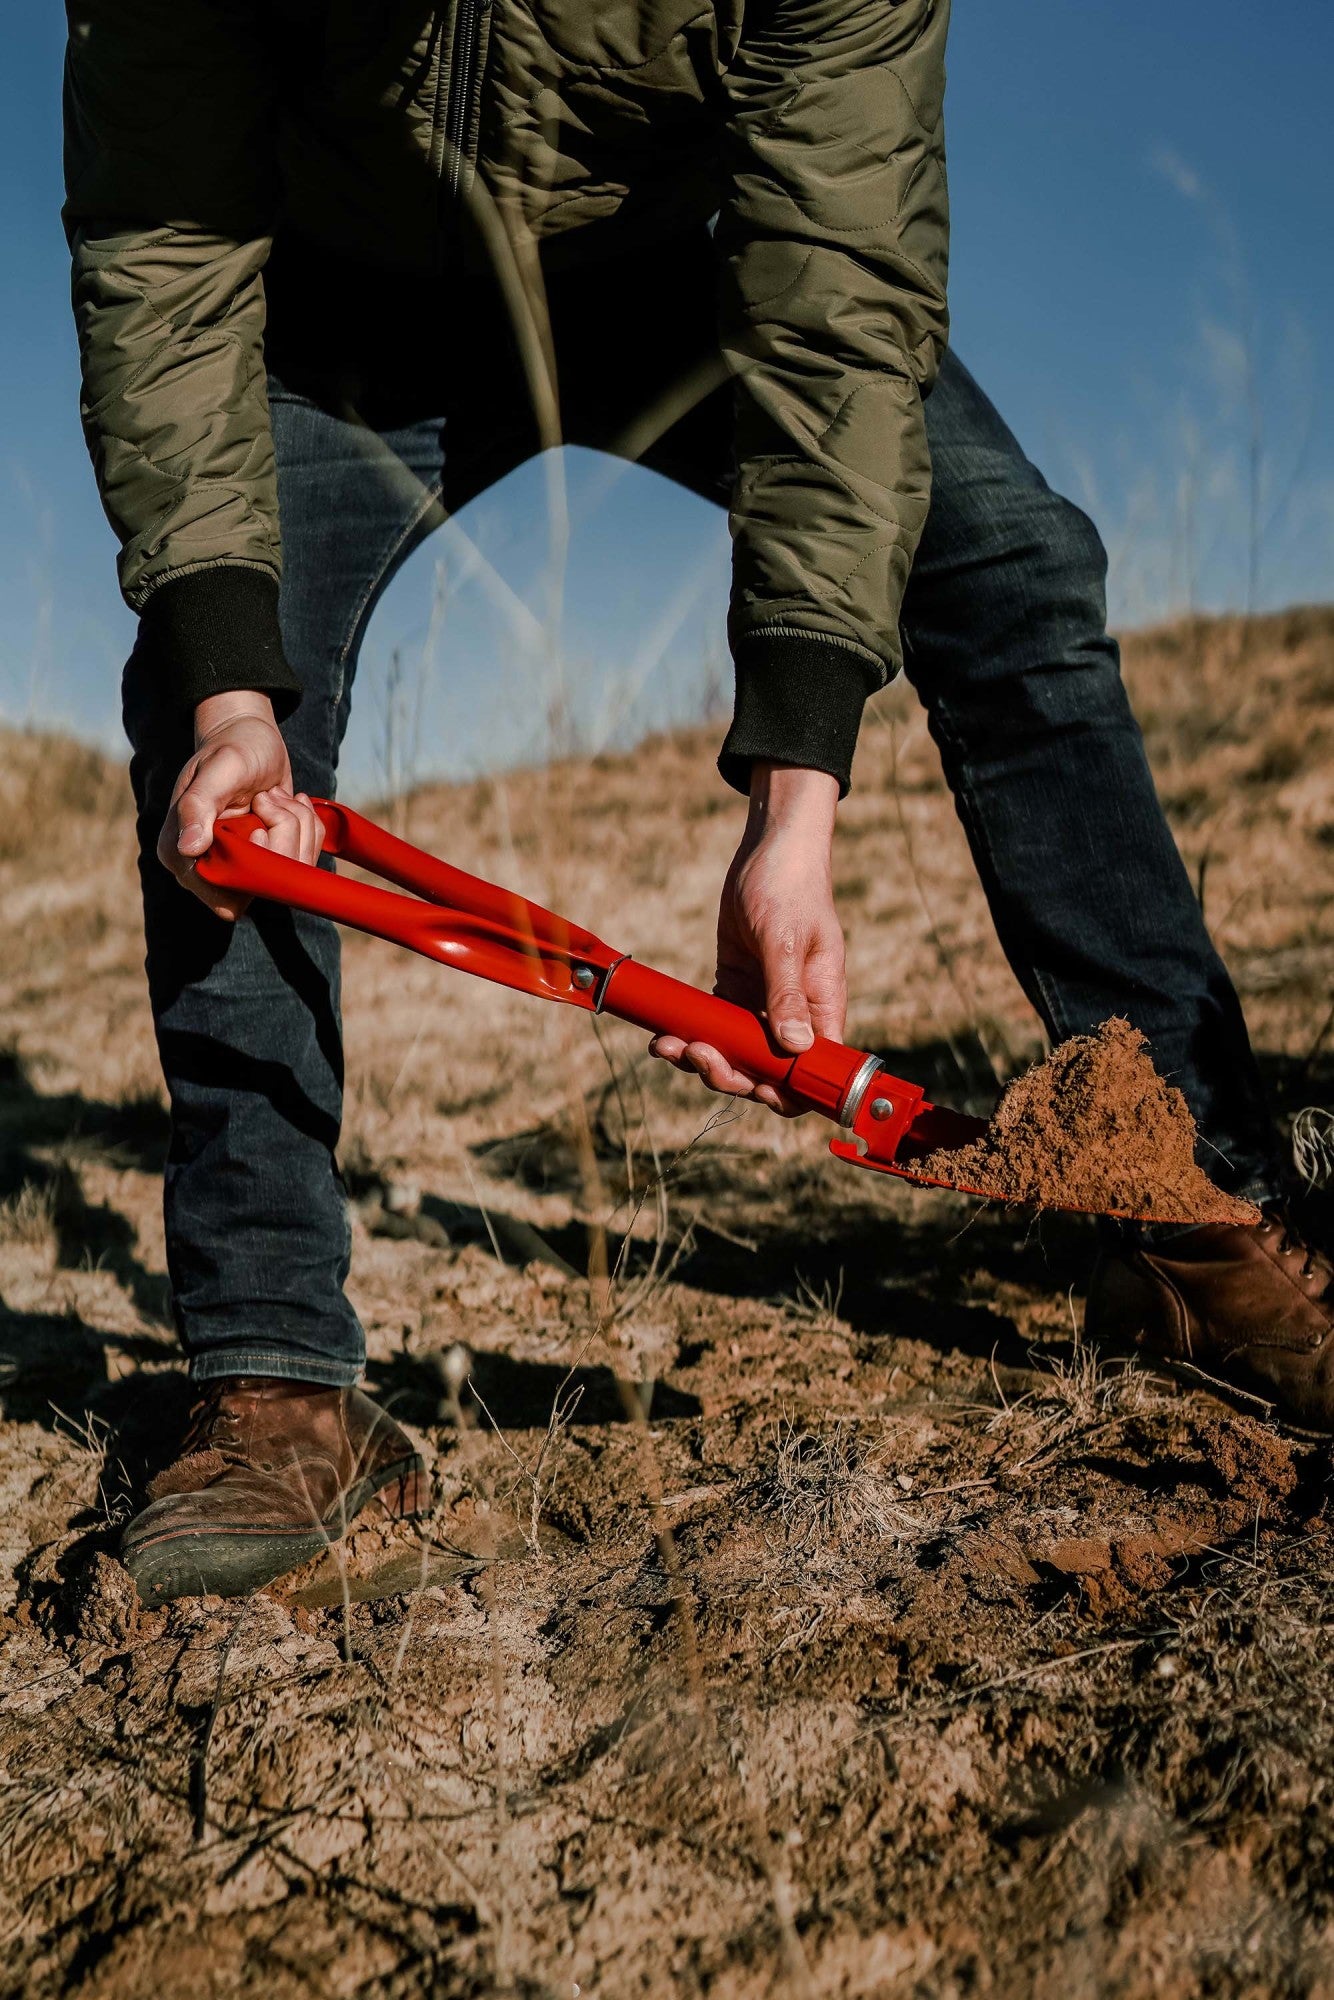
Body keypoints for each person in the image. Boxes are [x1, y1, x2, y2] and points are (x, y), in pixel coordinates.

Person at [62, 0, 1332, 1602]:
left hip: (682, 270)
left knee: (1008, 569)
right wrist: (230, 690)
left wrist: (791, 799)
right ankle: (271, 1373)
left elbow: (837, 286)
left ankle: (1193, 1221)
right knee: (212, 720)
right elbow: (159, 240)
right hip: (328, 314)